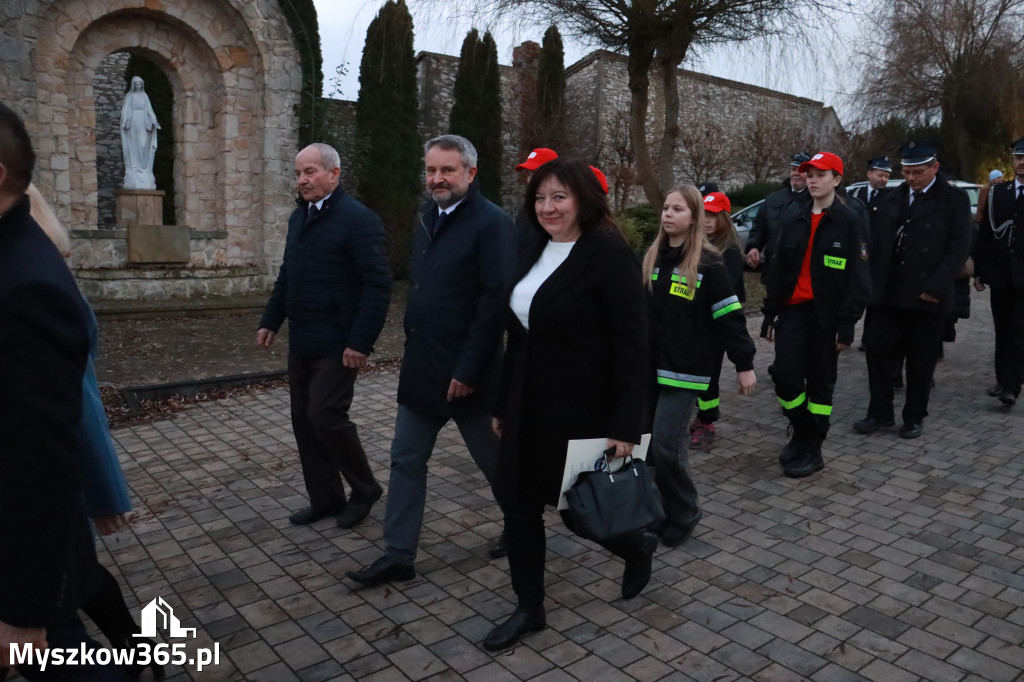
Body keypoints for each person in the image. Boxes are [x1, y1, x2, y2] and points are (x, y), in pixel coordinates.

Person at [484, 158, 650, 651]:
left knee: (579, 511)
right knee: (517, 505)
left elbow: (632, 346)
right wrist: (501, 403)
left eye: (559, 197)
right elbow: (517, 337)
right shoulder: (530, 245)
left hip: (583, 408)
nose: (547, 207)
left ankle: (636, 546)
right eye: (539, 198)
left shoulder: (608, 255)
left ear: (583, 200)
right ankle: (529, 606)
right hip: (525, 402)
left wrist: (626, 423)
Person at [347, 135, 515, 587]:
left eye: (447, 170)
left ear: (470, 173)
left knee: (495, 463)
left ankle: (521, 528)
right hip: (423, 368)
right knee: (404, 459)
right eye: (431, 170)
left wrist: (468, 369)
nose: (437, 179)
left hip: (470, 375)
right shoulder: (428, 217)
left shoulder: (491, 222)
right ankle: (398, 555)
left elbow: (494, 301)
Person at [0, 102, 130, 681]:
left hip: (20, 543)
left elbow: (47, 449)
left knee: (63, 661)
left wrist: (26, 611)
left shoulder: (27, 284)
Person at [29, 184, 163, 680]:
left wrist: (105, 494)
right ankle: (137, 651)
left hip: (38, 492)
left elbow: (79, 403)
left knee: (55, 631)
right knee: (77, 582)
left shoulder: (35, 287)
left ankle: (133, 654)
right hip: (41, 490)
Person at [258, 143, 392, 530]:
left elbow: (377, 284)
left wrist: (361, 342)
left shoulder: (358, 220)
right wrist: (271, 320)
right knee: (304, 420)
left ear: (335, 174)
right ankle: (325, 498)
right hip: (303, 338)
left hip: (339, 342)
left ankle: (365, 489)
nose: (303, 180)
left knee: (326, 416)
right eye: (299, 173)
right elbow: (289, 274)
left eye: (311, 171)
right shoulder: (299, 218)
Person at [645, 185, 755, 546]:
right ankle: (663, 508)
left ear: (694, 217)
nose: (667, 214)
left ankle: (686, 509)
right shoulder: (651, 257)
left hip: (686, 370)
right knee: (648, 446)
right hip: (649, 368)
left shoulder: (709, 263)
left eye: (677, 209)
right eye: (665, 207)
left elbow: (730, 317)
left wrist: (744, 364)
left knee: (665, 444)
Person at [761, 152, 871, 477]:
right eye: (809, 173)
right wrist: (769, 314)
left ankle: (814, 448)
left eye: (820, 174)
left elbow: (859, 278)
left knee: (821, 385)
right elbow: (779, 268)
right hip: (794, 311)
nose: (811, 179)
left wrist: (847, 322)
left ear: (836, 180)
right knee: (784, 375)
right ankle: (802, 430)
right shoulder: (794, 214)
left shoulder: (850, 220)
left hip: (828, 316)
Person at [854, 141, 971, 438]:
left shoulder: (953, 200)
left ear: (934, 167)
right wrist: (869, 284)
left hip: (926, 295)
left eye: (917, 172)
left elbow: (958, 249)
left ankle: (914, 416)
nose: (910, 178)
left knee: (921, 361)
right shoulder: (894, 197)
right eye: (905, 172)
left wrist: (937, 285)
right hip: (888, 293)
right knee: (877, 353)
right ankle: (879, 413)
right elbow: (878, 244)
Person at [690, 191, 749, 449]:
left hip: (715, 325)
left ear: (724, 218)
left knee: (708, 375)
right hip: (694, 323)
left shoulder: (731, 252)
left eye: (713, 215)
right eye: (704, 214)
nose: (708, 221)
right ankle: (698, 415)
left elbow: (727, 291)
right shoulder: (694, 246)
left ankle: (707, 421)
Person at [974, 137, 1024, 406]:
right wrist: (980, 271)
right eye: (1018, 158)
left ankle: (1013, 385)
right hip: (1001, 273)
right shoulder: (998, 192)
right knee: (1002, 328)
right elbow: (985, 235)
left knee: (1019, 330)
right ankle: (1002, 379)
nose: (1022, 163)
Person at [850, 156, 892, 352]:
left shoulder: (890, 198)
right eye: (881, 175)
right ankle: (845, 333)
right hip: (855, 253)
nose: (884, 179)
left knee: (873, 301)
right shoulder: (856, 194)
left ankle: (868, 338)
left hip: (876, 256)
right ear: (870, 174)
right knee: (851, 295)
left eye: (887, 176)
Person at [745, 153, 811, 281]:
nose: (795, 173)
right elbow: (759, 227)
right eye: (793, 169)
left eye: (801, 170)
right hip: (773, 271)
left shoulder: (814, 201)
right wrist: (754, 247)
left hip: (801, 275)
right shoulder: (773, 198)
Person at [120, 76, 161, 190]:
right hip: (133, 122)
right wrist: (125, 119)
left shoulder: (144, 96)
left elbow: (149, 110)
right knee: (134, 144)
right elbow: (125, 110)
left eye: (140, 84)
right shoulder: (130, 96)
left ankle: (144, 168)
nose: (138, 86)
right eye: (136, 84)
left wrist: (154, 120)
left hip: (144, 122)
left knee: (144, 144)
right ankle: (135, 167)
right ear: (133, 85)